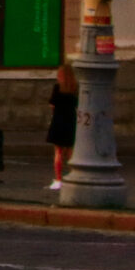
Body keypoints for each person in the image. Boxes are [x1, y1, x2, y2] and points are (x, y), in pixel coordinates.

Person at [48, 61, 81, 192]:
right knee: (70, 151)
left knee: (58, 152)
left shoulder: (57, 87)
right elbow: (78, 104)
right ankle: (74, 176)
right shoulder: (75, 87)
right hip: (71, 120)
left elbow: (52, 104)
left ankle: (58, 178)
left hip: (58, 120)